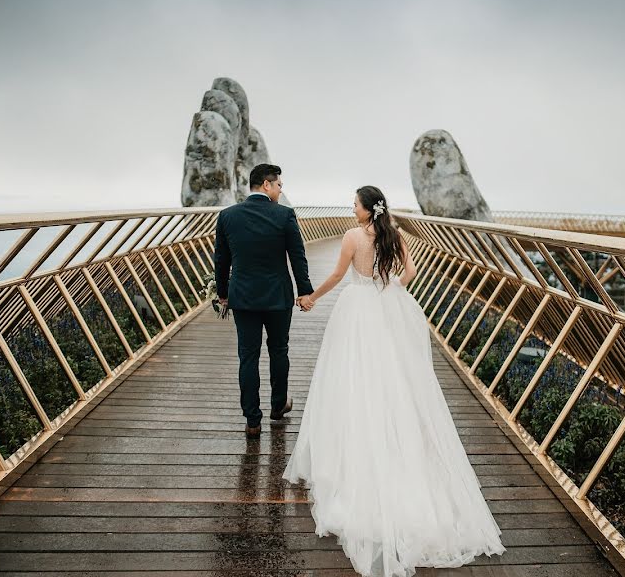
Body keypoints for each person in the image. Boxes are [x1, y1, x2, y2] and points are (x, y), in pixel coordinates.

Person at [283, 185, 506, 577]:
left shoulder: (352, 237)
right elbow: (411, 273)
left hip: (357, 308)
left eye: (354, 203)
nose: (351, 208)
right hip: (387, 304)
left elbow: (337, 274)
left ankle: (353, 446)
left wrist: (311, 297)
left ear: (368, 209)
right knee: (395, 374)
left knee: (351, 375)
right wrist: (387, 288)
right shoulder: (395, 234)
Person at [213, 163, 314, 439]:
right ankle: (278, 405)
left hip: (243, 297)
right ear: (267, 185)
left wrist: (223, 293)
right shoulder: (284, 216)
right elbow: (297, 256)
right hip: (277, 297)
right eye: (279, 185)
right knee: (279, 349)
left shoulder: (227, 216)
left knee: (248, 356)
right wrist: (304, 291)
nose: (281, 190)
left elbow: (221, 261)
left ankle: (252, 420)